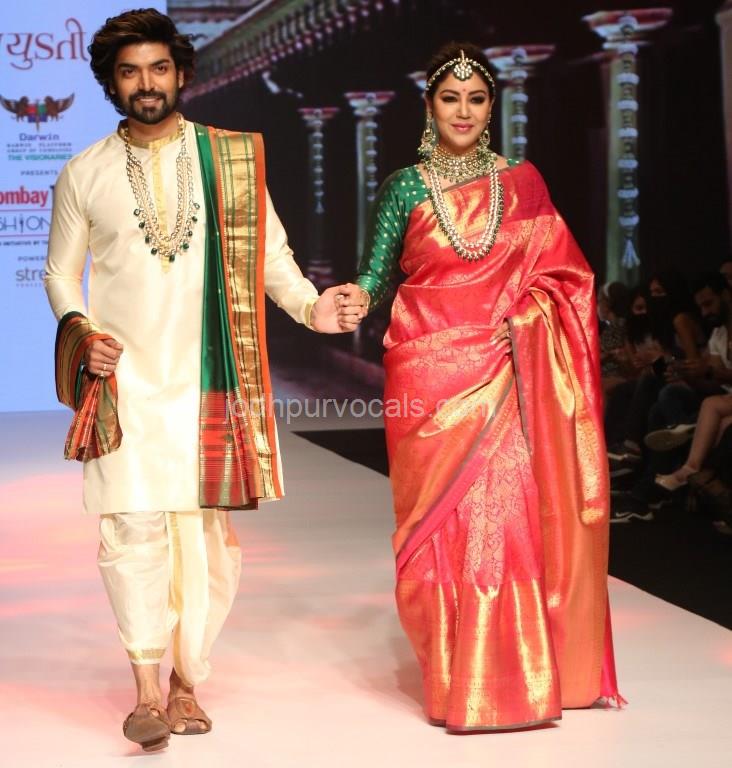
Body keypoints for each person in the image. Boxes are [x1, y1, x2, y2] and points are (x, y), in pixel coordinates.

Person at [44, 9, 362, 753]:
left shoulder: (229, 159)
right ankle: (147, 691)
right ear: (111, 82)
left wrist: (314, 308)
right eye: (130, 72)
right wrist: (82, 332)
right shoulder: (84, 172)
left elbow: (273, 260)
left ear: (181, 74)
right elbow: (61, 274)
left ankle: (189, 680)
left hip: (208, 379)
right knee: (129, 529)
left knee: (206, 542)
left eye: (158, 68)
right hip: (127, 382)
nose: (146, 84)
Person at [338, 42, 621, 732]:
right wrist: (356, 296)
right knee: (434, 530)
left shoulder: (521, 183)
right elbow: (378, 272)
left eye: (475, 99)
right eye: (449, 98)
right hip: (427, 371)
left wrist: (525, 321)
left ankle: (509, 682)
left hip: (502, 368)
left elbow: (566, 279)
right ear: (429, 106)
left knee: (505, 519)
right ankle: (450, 674)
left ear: (491, 107)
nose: (462, 111)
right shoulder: (406, 187)